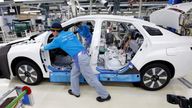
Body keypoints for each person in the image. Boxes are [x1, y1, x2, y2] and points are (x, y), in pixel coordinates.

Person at [41, 22, 111, 102]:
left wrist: (40, 48)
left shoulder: (57, 40)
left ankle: (105, 95)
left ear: (56, 31)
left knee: (91, 79)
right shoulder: (69, 33)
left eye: (52, 31)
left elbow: (47, 47)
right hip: (82, 55)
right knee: (74, 74)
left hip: (80, 58)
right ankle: (75, 91)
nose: (52, 33)